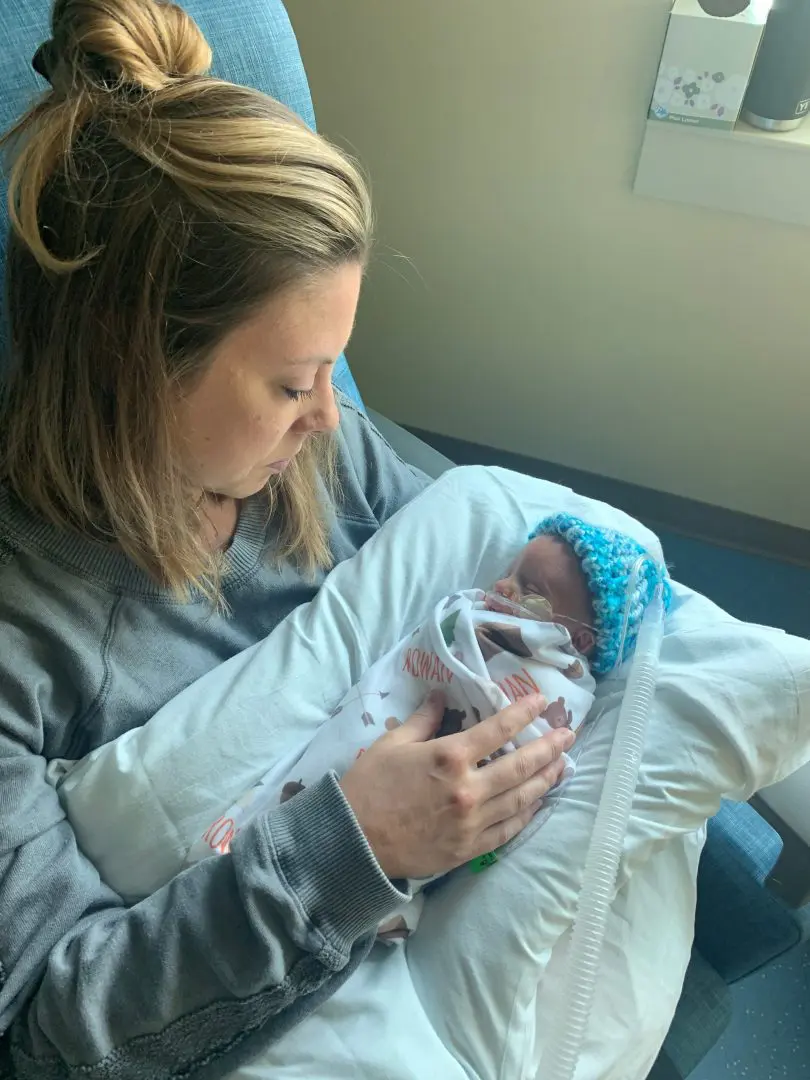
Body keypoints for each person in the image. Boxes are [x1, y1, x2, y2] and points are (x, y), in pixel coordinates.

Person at [0, 1, 574, 1075]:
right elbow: (42, 1033)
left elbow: (462, 566)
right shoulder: (30, 638)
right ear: (133, 366)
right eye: (291, 382)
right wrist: (354, 852)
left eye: (334, 370)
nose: (330, 415)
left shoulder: (321, 460)